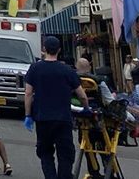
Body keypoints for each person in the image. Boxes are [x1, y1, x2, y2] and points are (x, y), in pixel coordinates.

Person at [24, 35, 91, 179]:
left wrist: (28, 115)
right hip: (63, 119)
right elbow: (82, 95)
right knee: (65, 154)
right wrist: (86, 108)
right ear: (59, 50)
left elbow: (28, 93)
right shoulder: (67, 70)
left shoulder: (35, 68)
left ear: (44, 49)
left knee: (45, 152)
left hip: (42, 118)